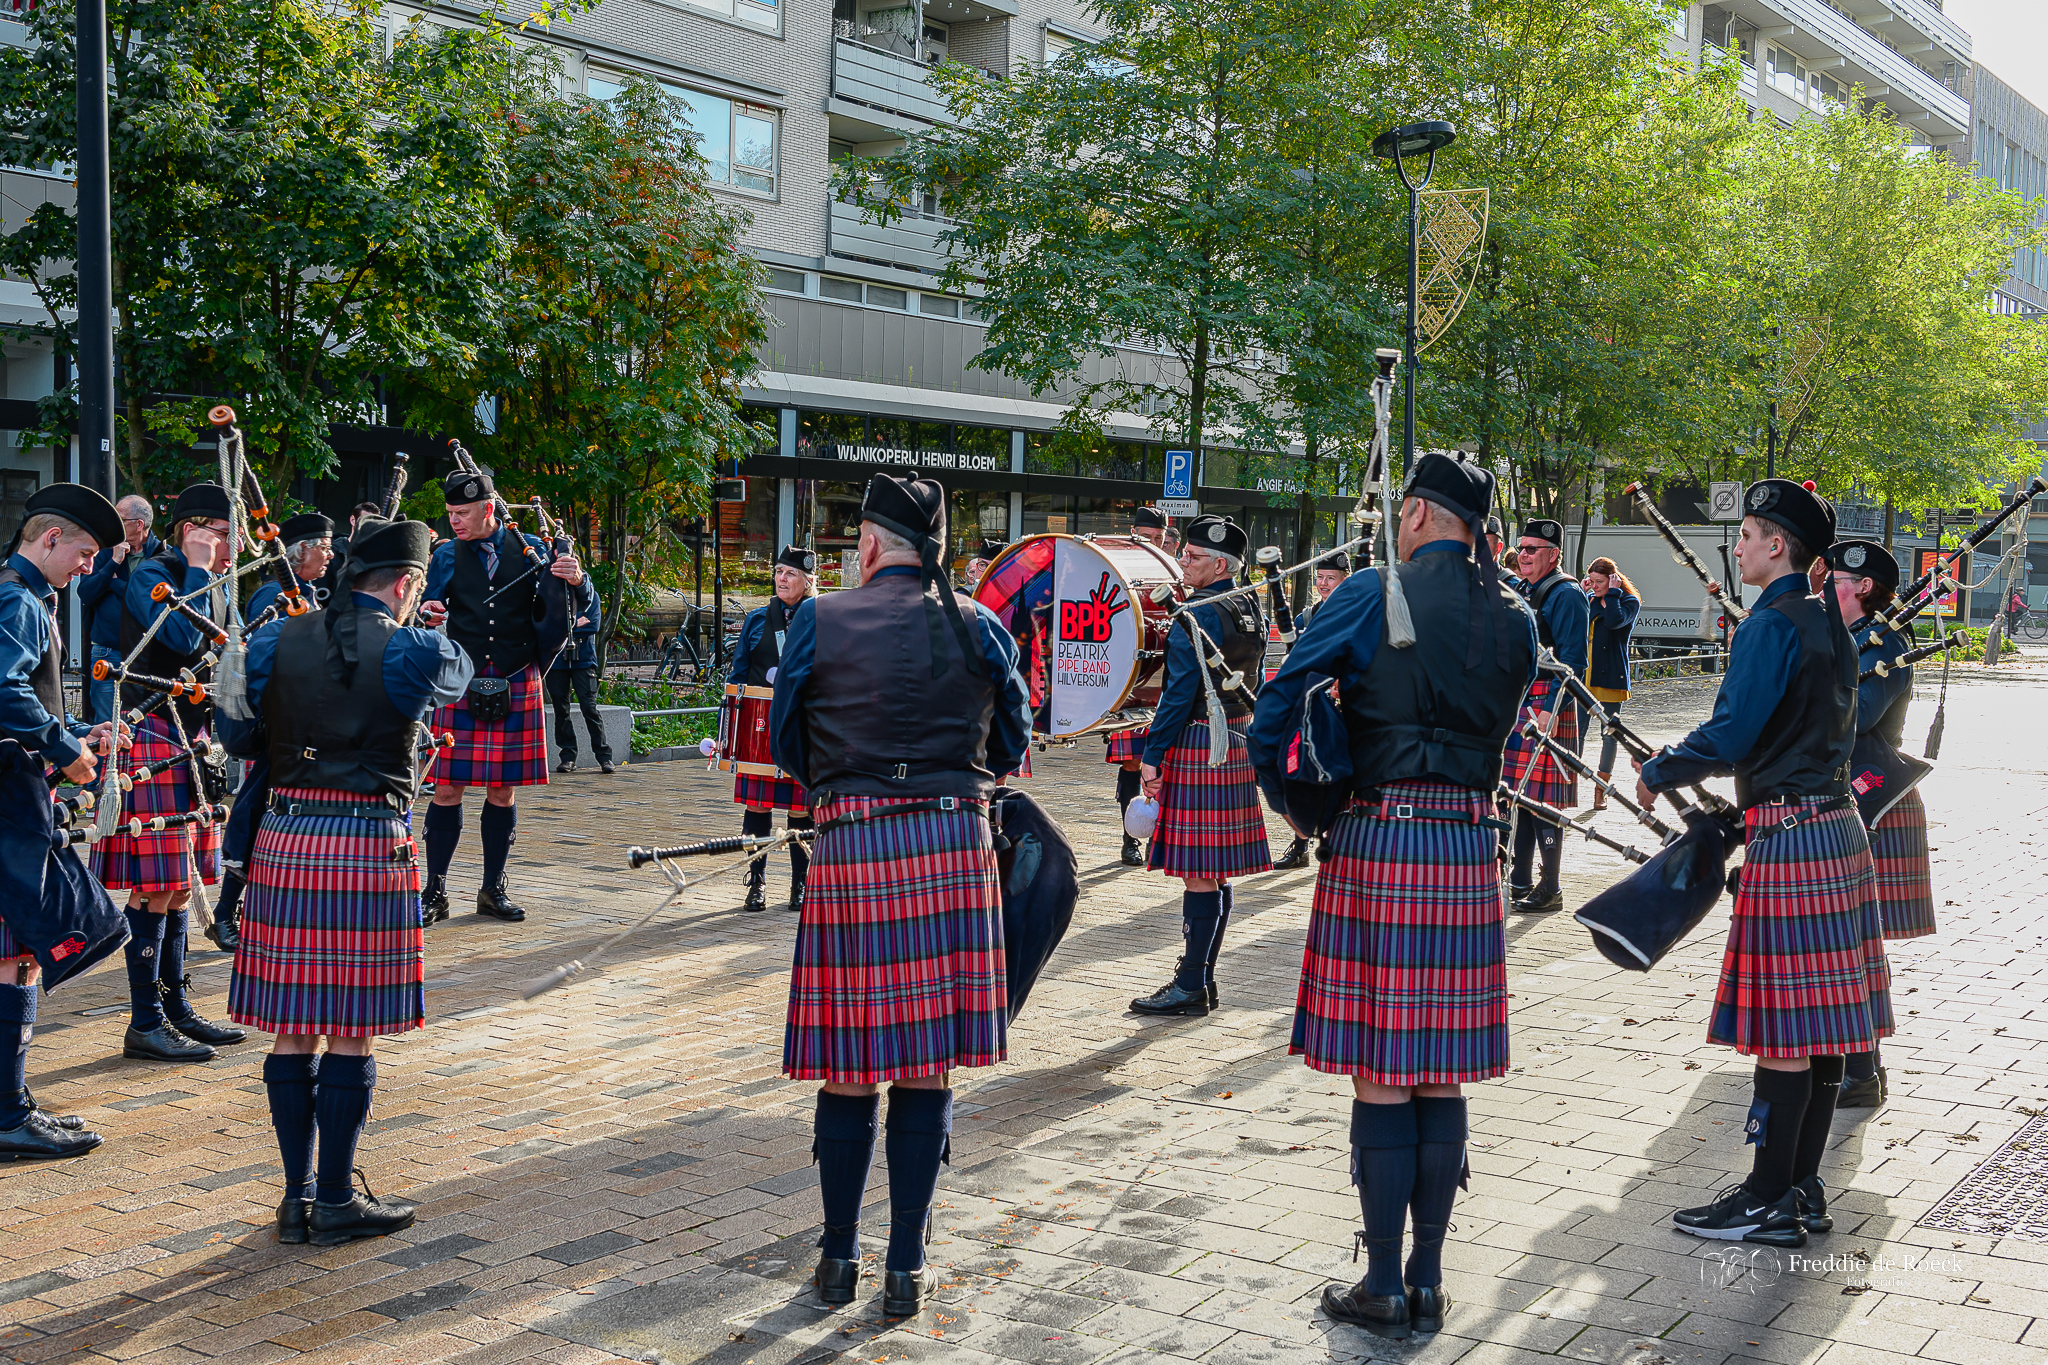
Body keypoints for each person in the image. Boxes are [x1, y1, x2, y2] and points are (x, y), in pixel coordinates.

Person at [1250, 453, 1534, 1340]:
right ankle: (1429, 1278)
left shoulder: (1372, 593)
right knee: (1438, 1069)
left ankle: (1380, 1280)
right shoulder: (1515, 614)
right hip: (1465, 841)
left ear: (1413, 512)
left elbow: (1276, 707)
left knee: (1381, 1070)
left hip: (1380, 834)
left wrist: (1302, 804)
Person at [768, 475, 1030, 1317]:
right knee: (925, 1065)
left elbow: (784, 735)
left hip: (852, 843)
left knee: (848, 1066)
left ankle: (838, 1257)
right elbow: (1016, 737)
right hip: (953, 843)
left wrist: (843, 793)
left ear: (872, 546)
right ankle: (908, 1265)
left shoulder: (819, 617)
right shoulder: (982, 624)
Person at [1637, 480, 1886, 1248]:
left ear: (1778, 544)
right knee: (1820, 1032)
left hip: (1793, 836)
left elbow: (1733, 730)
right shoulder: (1827, 620)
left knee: (1785, 1031)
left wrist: (1659, 768)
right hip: (1837, 829)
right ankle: (1798, 1188)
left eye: (1746, 533)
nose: (1737, 545)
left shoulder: (1771, 623)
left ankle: (1764, 1195)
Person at [219, 517, 472, 1246]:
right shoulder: (415, 645)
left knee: (293, 1028)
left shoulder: (274, 637)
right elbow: (457, 679)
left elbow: (239, 738)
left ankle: (293, 1198)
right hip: (366, 840)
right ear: (404, 584)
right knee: (352, 1030)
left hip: (288, 835)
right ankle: (335, 1198)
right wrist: (424, 621)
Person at [97, 483, 244, 1064]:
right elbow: (182, 638)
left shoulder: (212, 582)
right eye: (229, 538)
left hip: (192, 740)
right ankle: (145, 1021)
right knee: (154, 887)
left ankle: (177, 1009)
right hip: (152, 733)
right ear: (196, 531)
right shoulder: (151, 573)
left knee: (181, 887)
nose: (237, 550)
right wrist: (200, 569)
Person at [0, 484, 126, 1159]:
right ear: (49, 539)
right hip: (10, 801)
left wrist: (82, 730)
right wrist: (65, 747)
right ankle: (8, 1115)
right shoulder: (18, 600)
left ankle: (11, 1107)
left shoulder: (18, 595)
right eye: (82, 552)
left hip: (12, 795)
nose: (87, 567)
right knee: (18, 955)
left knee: (17, 953)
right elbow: (3, 690)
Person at [416, 469, 594, 924]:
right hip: (461, 676)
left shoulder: (533, 548)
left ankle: (492, 890)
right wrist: (430, 611)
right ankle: (433, 891)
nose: (454, 521)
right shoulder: (445, 556)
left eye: (463, 513)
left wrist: (578, 580)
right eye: (450, 513)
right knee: (448, 788)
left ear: (489, 508)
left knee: (502, 790)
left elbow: (583, 604)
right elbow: (429, 606)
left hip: (516, 674)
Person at [1131, 514, 1271, 1017]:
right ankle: (1201, 979)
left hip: (1197, 742)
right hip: (1235, 739)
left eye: (1190, 557)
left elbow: (1178, 693)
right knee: (1215, 872)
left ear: (1218, 563)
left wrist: (1151, 755)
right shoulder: (1248, 602)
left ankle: (1191, 984)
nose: (1181, 562)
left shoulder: (1197, 613)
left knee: (1197, 872)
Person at [1826, 538, 1929, 1109]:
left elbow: (1854, 717)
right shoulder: (1846, 638)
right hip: (1843, 799)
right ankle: (1850, 1061)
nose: (1823, 586)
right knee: (1846, 938)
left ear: (1862, 588)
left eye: (1834, 579)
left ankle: (1862, 1070)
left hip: (1875, 801)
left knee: (1855, 940)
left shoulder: (1884, 643)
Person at [1499, 519, 1590, 914]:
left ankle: (1550, 886)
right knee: (1517, 799)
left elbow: (1574, 660)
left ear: (1553, 554)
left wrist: (1552, 708)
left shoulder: (1567, 594)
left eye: (1532, 549)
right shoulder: (1521, 588)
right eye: (1521, 548)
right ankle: (1519, 880)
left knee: (1541, 802)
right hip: (1519, 698)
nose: (1523, 555)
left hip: (1547, 702)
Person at [727, 545, 816, 912]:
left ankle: (800, 884)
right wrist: (730, 722)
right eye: (778, 572)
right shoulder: (758, 620)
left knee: (800, 810)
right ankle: (757, 882)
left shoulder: (821, 618)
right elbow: (738, 671)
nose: (781, 579)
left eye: (790, 573)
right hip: (760, 727)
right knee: (758, 805)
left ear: (809, 581)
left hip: (803, 725)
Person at [1273, 549, 1353, 870]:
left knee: (1342, 778)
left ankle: (1340, 843)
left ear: (1344, 580)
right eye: (1319, 578)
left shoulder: (1355, 612)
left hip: (1347, 709)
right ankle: (1301, 842)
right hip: (1311, 709)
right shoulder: (1306, 617)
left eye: (1330, 578)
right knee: (1304, 774)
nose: (1322, 584)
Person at [1105, 506, 1172, 865]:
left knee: (1166, 765)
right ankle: (1130, 838)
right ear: (1133, 533)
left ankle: (1161, 834)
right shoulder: (1119, 572)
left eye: (1159, 539)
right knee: (1133, 763)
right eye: (1147, 538)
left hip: (1170, 683)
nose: (1153, 544)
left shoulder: (1175, 574)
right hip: (1134, 681)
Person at [75, 494, 157, 724]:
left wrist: (113, 582)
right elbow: (85, 593)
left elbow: (150, 601)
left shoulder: (161, 555)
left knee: (144, 725)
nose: (114, 524)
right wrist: (113, 563)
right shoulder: (104, 551)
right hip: (107, 652)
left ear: (138, 524)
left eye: (120, 519)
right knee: (106, 726)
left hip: (147, 654)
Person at [1582, 557, 1641, 812]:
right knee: (1577, 733)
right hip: (1584, 676)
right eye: (1592, 581)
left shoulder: (1628, 601)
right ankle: (1568, 782)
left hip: (1611, 676)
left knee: (1609, 736)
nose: (1595, 586)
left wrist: (1614, 594)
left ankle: (1601, 789)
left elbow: (1615, 622)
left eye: (1600, 582)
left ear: (1613, 579)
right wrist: (1581, 595)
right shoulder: (1590, 599)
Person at [547, 610, 613, 776]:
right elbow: (545, 626)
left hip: (583, 660)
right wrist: (576, 623)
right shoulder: (553, 596)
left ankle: (604, 757)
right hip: (556, 660)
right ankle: (568, 757)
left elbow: (593, 626)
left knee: (589, 707)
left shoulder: (589, 597)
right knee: (560, 709)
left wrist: (561, 626)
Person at [245, 513, 333, 623]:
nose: (331, 555)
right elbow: (262, 638)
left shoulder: (308, 591)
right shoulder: (272, 593)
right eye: (325, 548)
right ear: (302, 550)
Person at [316, 501, 383, 606]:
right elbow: (321, 591)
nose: (369, 527)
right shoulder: (332, 554)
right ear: (353, 520)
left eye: (373, 523)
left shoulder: (378, 555)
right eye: (365, 522)